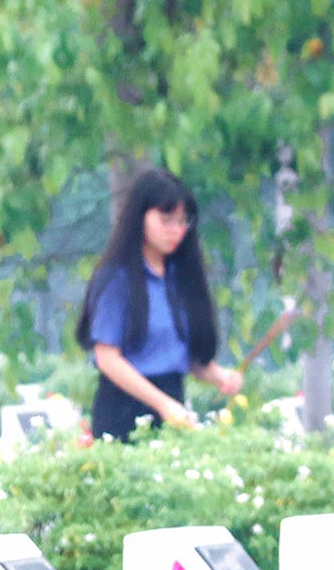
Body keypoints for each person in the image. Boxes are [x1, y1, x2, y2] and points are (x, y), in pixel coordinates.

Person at [76, 168, 241, 441]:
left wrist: (218, 376)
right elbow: (107, 358)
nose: (176, 230)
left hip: (172, 402)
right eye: (166, 220)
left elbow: (173, 353)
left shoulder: (179, 278)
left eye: (182, 221)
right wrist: (162, 404)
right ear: (140, 217)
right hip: (123, 410)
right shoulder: (116, 279)